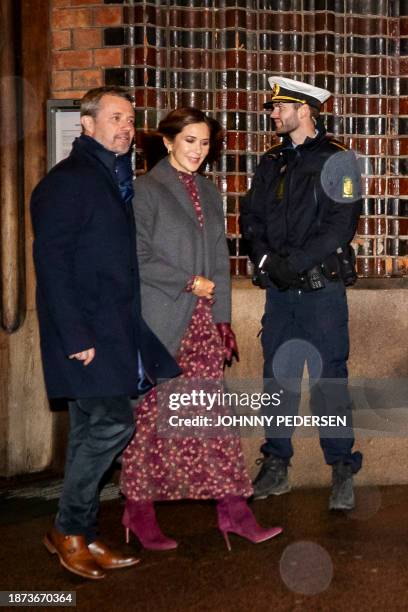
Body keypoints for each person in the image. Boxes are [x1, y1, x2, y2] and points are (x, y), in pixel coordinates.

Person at [30, 86, 180, 579]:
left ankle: (81, 532)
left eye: (130, 119)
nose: (125, 127)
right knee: (115, 423)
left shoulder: (112, 179)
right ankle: (69, 528)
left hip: (112, 334)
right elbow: (52, 266)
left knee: (89, 432)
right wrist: (76, 338)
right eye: (114, 117)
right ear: (87, 124)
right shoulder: (67, 182)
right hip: (84, 337)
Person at [120, 107, 282, 551]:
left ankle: (234, 513)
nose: (198, 151)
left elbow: (220, 267)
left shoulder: (210, 192)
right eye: (189, 140)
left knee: (215, 422)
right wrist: (188, 282)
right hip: (163, 323)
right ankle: (138, 510)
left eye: (205, 143)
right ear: (169, 141)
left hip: (202, 328)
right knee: (152, 423)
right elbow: (137, 256)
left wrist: (223, 319)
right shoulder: (146, 190)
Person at [240, 77, 363, 511]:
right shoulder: (271, 161)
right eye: (273, 108)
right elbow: (250, 218)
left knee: (329, 380)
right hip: (279, 293)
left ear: (305, 110)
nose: (273, 113)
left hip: (320, 292)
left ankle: (342, 468)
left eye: (281, 107)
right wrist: (266, 261)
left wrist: (293, 264)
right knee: (277, 380)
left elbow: (340, 226)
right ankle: (276, 465)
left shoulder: (339, 160)